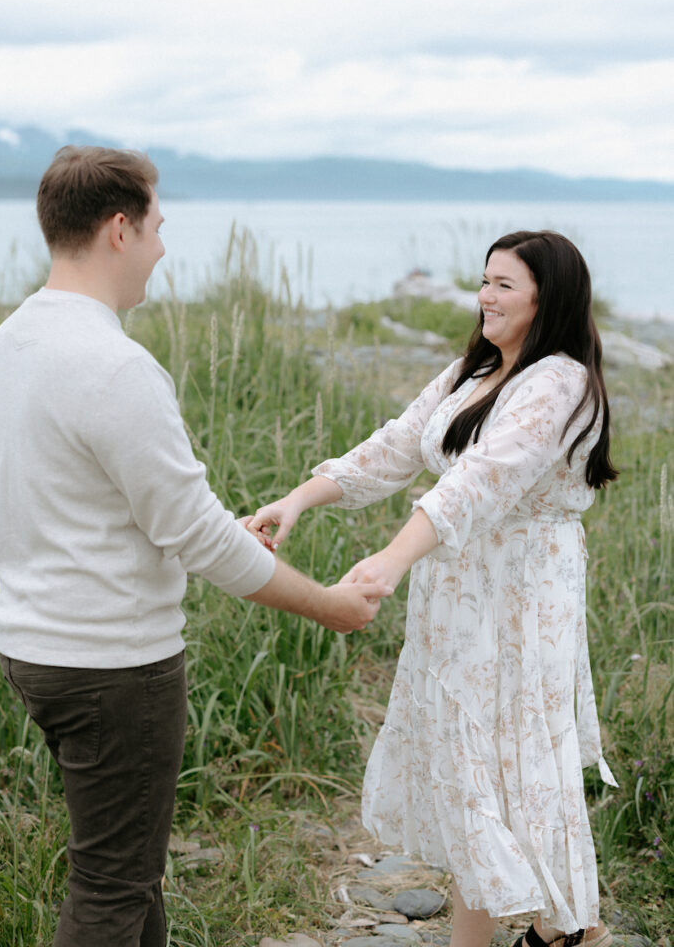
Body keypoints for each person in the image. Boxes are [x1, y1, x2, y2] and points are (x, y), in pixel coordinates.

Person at [0, 145, 391, 947]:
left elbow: (92, 501)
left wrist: (198, 530)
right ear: (118, 229)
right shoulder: (115, 365)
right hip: (112, 670)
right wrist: (332, 606)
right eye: (159, 228)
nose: (164, 248)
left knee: (131, 876)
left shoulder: (15, 338)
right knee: (109, 889)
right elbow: (201, 541)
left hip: (37, 649)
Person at [248, 231, 618, 947]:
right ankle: (521, 935)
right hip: (456, 601)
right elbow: (391, 447)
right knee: (465, 762)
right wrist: (296, 500)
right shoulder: (469, 373)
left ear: (550, 296)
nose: (485, 296)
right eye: (484, 281)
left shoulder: (560, 380)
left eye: (504, 284)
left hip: (521, 597)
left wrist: (390, 559)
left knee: (522, 758)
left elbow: (481, 484)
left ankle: (571, 927)